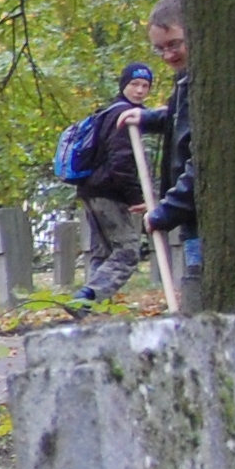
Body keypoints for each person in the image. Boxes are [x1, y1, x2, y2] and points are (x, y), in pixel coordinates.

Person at [119, 0, 197, 306]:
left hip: (198, 217)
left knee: (199, 294)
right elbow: (180, 118)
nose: (167, 55)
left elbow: (199, 159)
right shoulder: (184, 81)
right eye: (160, 48)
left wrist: (167, 210)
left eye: (175, 44)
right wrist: (149, 117)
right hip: (192, 218)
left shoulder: (199, 81)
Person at [70, 62, 155, 306]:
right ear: (123, 85)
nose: (139, 91)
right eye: (134, 84)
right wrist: (136, 197)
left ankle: (87, 308)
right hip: (109, 193)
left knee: (104, 253)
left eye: (145, 86)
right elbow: (122, 163)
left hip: (92, 190)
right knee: (128, 252)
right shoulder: (122, 117)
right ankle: (88, 297)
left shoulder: (110, 112)